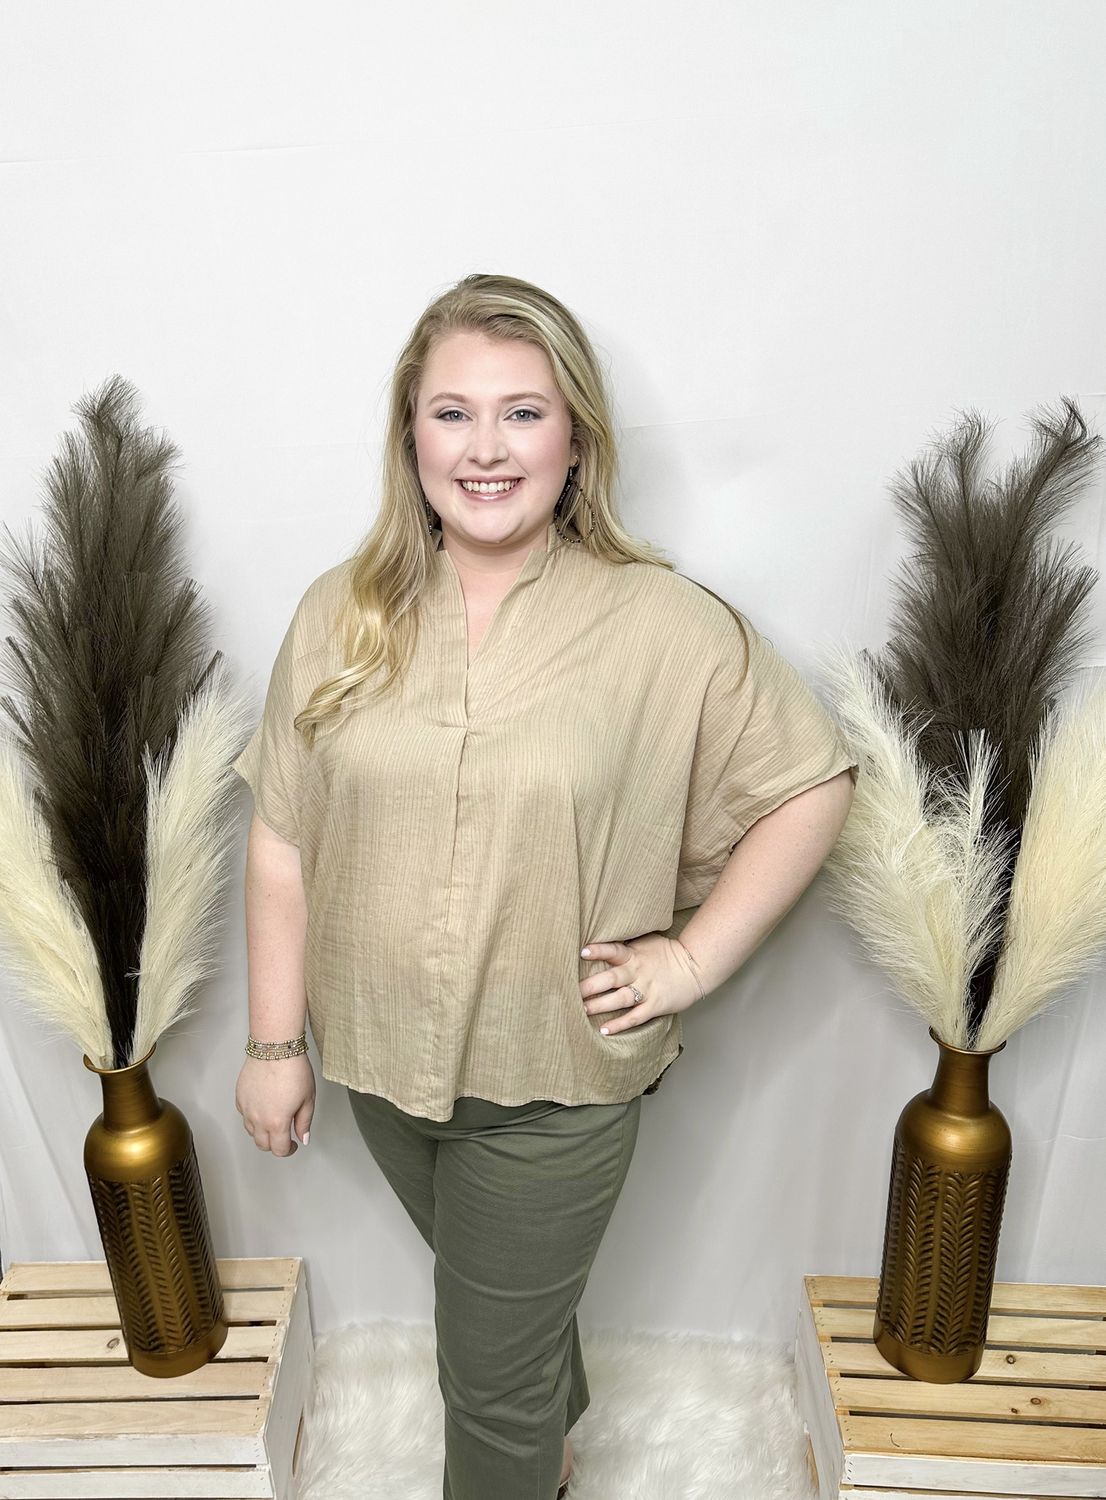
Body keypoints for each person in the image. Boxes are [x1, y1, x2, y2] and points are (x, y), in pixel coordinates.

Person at [232, 273, 858, 1500]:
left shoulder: (659, 624)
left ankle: (527, 1456)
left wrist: (689, 960)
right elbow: (280, 840)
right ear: (409, 436)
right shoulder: (340, 612)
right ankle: (549, 1428)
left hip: (551, 1088)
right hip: (379, 1071)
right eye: (451, 412)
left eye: (522, 413)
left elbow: (811, 783)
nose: (485, 448)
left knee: (486, 1379)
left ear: (575, 440)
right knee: (499, 1314)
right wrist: (272, 1043)